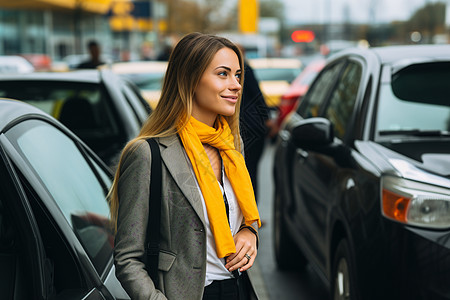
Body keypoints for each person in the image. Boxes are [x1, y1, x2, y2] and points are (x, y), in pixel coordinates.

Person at [109, 32, 261, 300]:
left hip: (239, 290)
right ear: (190, 79)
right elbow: (127, 258)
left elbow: (238, 216)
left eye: (238, 75)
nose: (236, 85)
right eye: (223, 74)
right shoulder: (148, 154)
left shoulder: (231, 145)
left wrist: (250, 232)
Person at [238, 46, 270, 201]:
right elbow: (258, 97)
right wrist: (267, 119)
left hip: (248, 128)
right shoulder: (245, 70)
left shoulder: (243, 70)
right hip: (252, 127)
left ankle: (249, 215)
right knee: (250, 172)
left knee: (246, 172)